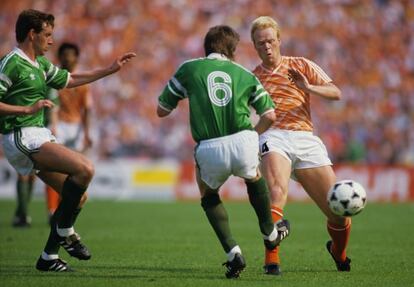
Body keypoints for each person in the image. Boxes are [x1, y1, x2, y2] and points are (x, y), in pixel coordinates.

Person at [0, 9, 135, 272]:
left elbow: (70, 79)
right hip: (20, 135)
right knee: (85, 169)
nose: (52, 41)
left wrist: (109, 70)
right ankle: (65, 232)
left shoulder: (39, 63)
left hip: (36, 134)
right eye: (47, 35)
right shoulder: (12, 63)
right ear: (32, 34)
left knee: (77, 198)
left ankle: (49, 256)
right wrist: (26, 110)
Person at [157, 25, 290, 279]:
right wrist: (252, 133)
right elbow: (270, 115)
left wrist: (187, 95)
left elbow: (162, 109)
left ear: (206, 47)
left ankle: (233, 253)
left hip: (209, 146)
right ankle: (270, 233)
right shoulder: (245, 74)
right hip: (244, 140)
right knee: (254, 179)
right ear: (231, 50)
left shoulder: (189, 68)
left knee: (208, 195)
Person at [250, 16, 350, 275]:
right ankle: (271, 260)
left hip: (305, 138)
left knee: (339, 212)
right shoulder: (251, 78)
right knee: (277, 192)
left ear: (279, 40)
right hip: (273, 136)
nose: (267, 47)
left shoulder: (301, 64)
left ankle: (338, 252)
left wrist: (308, 88)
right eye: (261, 43)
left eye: (271, 41)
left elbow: (336, 92)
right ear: (255, 46)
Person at [44, 42, 93, 221]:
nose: (67, 57)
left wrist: (86, 133)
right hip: (59, 127)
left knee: (76, 172)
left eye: (71, 54)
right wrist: (53, 126)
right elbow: (53, 106)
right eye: (64, 54)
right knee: (54, 170)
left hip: (76, 128)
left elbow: (87, 109)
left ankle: (65, 209)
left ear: (76, 57)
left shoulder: (82, 82)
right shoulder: (54, 78)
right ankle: (52, 210)